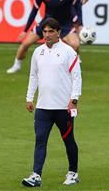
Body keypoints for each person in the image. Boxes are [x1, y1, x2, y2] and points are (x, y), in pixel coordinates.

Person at [22, 18, 82, 187]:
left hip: (64, 107)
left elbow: (77, 77)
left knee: (68, 140)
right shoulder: (37, 52)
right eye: (45, 32)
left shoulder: (68, 52)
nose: (47, 35)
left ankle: (73, 173)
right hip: (43, 107)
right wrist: (29, 97)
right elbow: (33, 76)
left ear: (58, 33)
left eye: (50, 32)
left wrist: (74, 99)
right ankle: (36, 175)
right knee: (40, 140)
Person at [7, 0, 79, 74]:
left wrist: (77, 24)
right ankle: (16, 65)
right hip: (47, 23)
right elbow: (33, 12)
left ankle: (71, 66)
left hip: (64, 24)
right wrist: (25, 30)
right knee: (26, 43)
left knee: (75, 44)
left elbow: (75, 8)